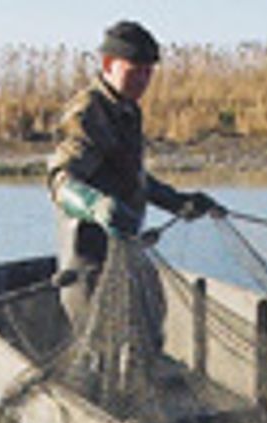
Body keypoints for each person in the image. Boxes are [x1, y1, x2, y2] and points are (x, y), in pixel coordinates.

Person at [47, 19, 218, 326]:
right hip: (89, 260)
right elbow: (60, 181)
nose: (143, 79)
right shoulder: (87, 113)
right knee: (99, 347)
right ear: (109, 63)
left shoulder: (127, 109)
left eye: (148, 72)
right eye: (134, 70)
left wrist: (176, 201)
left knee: (151, 319)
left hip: (126, 249)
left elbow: (130, 176)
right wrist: (95, 205)